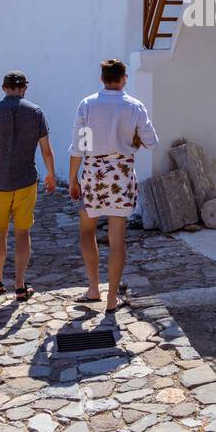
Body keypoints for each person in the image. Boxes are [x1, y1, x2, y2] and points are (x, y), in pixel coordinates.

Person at [68, 58, 159, 312]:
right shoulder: (134, 106)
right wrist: (133, 139)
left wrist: (73, 178)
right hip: (121, 173)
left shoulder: (87, 105)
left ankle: (93, 288)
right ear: (124, 79)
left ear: (102, 79)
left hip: (93, 174)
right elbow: (152, 142)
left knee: (87, 230)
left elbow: (78, 146)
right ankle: (111, 300)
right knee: (117, 238)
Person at [0, 70, 56, 300]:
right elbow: (46, 150)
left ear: (4, 88)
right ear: (25, 88)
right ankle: (20, 285)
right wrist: (51, 174)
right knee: (22, 233)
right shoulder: (36, 113)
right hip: (26, 182)